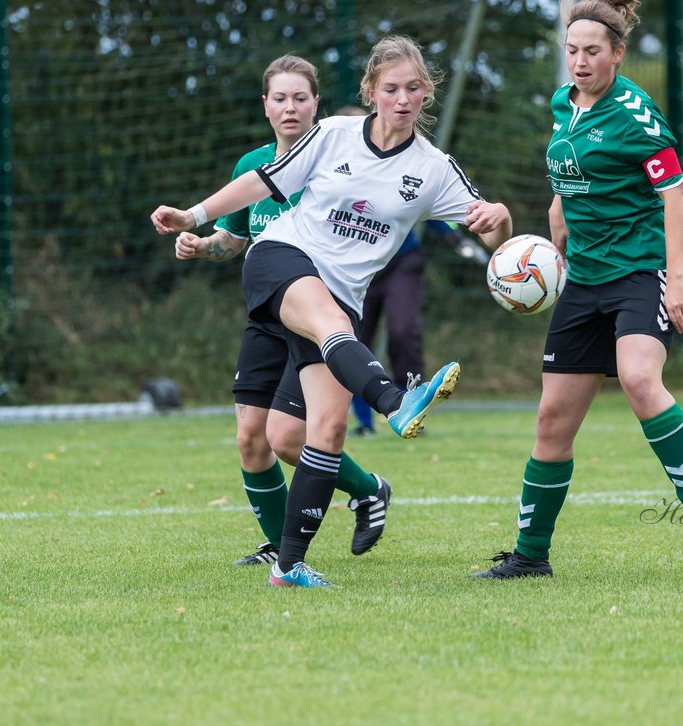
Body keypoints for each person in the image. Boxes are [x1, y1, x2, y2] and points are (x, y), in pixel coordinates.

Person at [152, 34, 513, 588]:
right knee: (330, 329)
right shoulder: (334, 134)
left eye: (413, 89)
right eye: (391, 88)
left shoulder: (435, 169)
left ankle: (289, 566)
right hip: (282, 259)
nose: (402, 98)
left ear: (426, 95)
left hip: (342, 296)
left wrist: (502, 222)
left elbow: (493, 241)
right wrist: (195, 216)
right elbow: (259, 182)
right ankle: (396, 401)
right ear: (371, 91)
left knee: (319, 430)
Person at [472, 0, 683, 580]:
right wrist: (557, 221)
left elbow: (676, 195)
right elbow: (567, 176)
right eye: (572, 50)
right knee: (552, 420)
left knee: (640, 380)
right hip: (582, 280)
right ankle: (531, 555)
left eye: (591, 52)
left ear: (617, 53)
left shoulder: (639, 117)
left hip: (639, 273)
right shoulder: (564, 105)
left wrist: (679, 277)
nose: (579, 62)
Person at [171, 55, 393, 568]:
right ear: (266, 106)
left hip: (320, 316)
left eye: (300, 98)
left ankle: (365, 490)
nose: (290, 107)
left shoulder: (342, 165)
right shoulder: (250, 168)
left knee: (290, 437)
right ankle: (283, 549)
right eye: (280, 98)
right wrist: (202, 247)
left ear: (316, 103)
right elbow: (234, 239)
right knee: (251, 438)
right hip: (266, 315)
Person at [349, 219, 489, 436]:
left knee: (403, 332)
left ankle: (411, 408)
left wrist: (456, 238)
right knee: (355, 339)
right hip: (356, 263)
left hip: (403, 261)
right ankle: (364, 422)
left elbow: (431, 205)